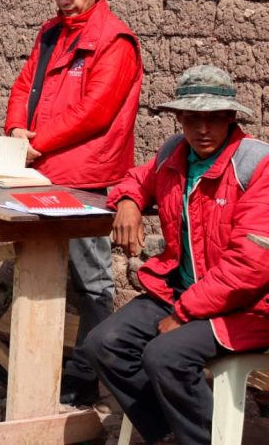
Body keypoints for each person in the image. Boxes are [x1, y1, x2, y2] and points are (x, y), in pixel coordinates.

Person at [82, 65, 269, 445]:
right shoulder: (174, 154)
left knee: (165, 355)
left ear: (231, 118)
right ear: (179, 118)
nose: (204, 130)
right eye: (193, 119)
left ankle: (204, 439)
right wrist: (130, 202)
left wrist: (185, 314)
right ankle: (168, 432)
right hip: (183, 292)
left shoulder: (257, 165)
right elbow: (136, 178)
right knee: (104, 344)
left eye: (215, 119)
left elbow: (251, 266)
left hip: (248, 306)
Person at [4, 0, 143, 406]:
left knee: (92, 277)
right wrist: (15, 129)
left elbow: (96, 111)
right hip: (42, 166)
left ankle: (86, 373)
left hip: (85, 174)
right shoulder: (51, 33)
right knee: (43, 263)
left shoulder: (115, 40)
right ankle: (37, 361)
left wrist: (37, 140)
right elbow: (25, 83)